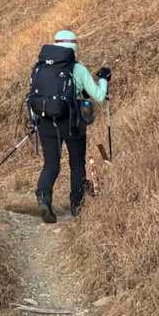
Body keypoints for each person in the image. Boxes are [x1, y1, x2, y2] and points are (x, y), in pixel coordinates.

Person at [32, 28, 110, 223]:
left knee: (51, 164)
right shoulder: (78, 69)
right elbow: (99, 96)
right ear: (74, 46)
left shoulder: (40, 67)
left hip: (46, 122)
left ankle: (43, 197)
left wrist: (36, 122)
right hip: (72, 123)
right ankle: (77, 206)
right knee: (76, 164)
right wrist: (103, 79)